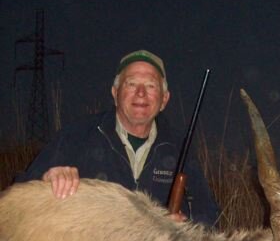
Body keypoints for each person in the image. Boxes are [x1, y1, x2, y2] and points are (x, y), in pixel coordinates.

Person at [16, 50, 219, 225]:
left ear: (164, 99)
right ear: (115, 93)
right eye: (131, 84)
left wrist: (185, 225)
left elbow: (208, 215)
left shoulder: (180, 147)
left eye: (151, 86)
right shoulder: (76, 136)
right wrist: (45, 180)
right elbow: (19, 193)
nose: (141, 93)